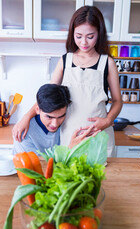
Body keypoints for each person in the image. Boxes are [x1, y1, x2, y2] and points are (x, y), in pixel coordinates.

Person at [13, 6, 122, 157]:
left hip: (98, 136)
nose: (84, 42)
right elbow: (48, 97)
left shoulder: (107, 63)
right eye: (78, 36)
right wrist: (26, 117)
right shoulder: (65, 61)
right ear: (72, 34)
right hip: (70, 137)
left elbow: (118, 101)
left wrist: (108, 120)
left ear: (99, 34)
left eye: (90, 36)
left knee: (101, 179)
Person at [12, 84, 99, 154]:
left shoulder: (67, 122)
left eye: (61, 116)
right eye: (49, 117)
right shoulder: (23, 132)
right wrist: (70, 149)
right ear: (37, 109)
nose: (55, 124)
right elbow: (38, 168)